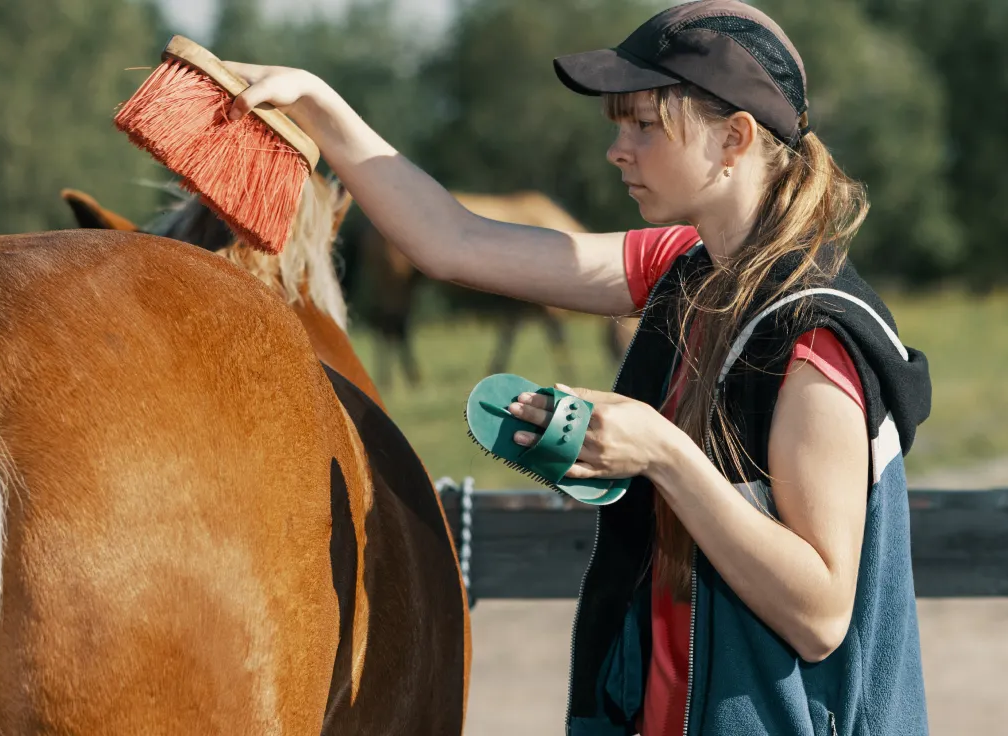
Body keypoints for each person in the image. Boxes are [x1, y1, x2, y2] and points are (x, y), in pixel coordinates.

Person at [224, 0, 932, 733]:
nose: (617, 150)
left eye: (644, 125)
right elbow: (452, 242)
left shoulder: (814, 340)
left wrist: (661, 454)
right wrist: (318, 104)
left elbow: (819, 614)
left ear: (735, 137)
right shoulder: (684, 268)